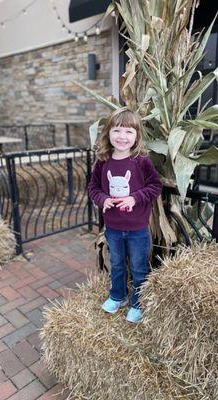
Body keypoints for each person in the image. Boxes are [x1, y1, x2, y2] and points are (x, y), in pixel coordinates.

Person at [88, 107, 162, 323]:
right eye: (117, 131)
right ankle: (118, 296)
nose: (122, 137)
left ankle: (138, 304)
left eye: (129, 132)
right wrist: (103, 199)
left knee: (139, 267)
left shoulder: (141, 161)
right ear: (108, 133)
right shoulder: (103, 161)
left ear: (137, 136)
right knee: (118, 264)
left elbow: (155, 186)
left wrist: (134, 198)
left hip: (138, 228)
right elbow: (93, 187)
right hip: (113, 228)